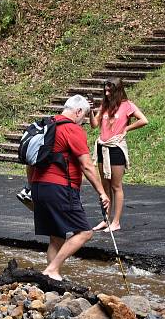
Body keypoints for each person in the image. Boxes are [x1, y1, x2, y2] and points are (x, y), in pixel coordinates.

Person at [28, 95, 110, 281]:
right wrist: (102, 193)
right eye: (84, 116)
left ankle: (50, 279)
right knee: (85, 232)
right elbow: (87, 165)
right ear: (78, 111)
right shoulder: (72, 129)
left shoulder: (46, 126)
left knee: (56, 237)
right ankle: (52, 270)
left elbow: (30, 160)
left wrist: (32, 185)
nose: (83, 122)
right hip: (61, 189)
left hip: (40, 187)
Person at [89, 77, 148, 232]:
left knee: (116, 186)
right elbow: (94, 125)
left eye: (110, 90)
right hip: (102, 147)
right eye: (105, 90)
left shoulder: (126, 105)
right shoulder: (105, 106)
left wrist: (126, 129)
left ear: (117, 90)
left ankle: (116, 222)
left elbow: (144, 120)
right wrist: (91, 111)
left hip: (116, 148)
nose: (107, 93)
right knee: (105, 186)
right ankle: (106, 220)